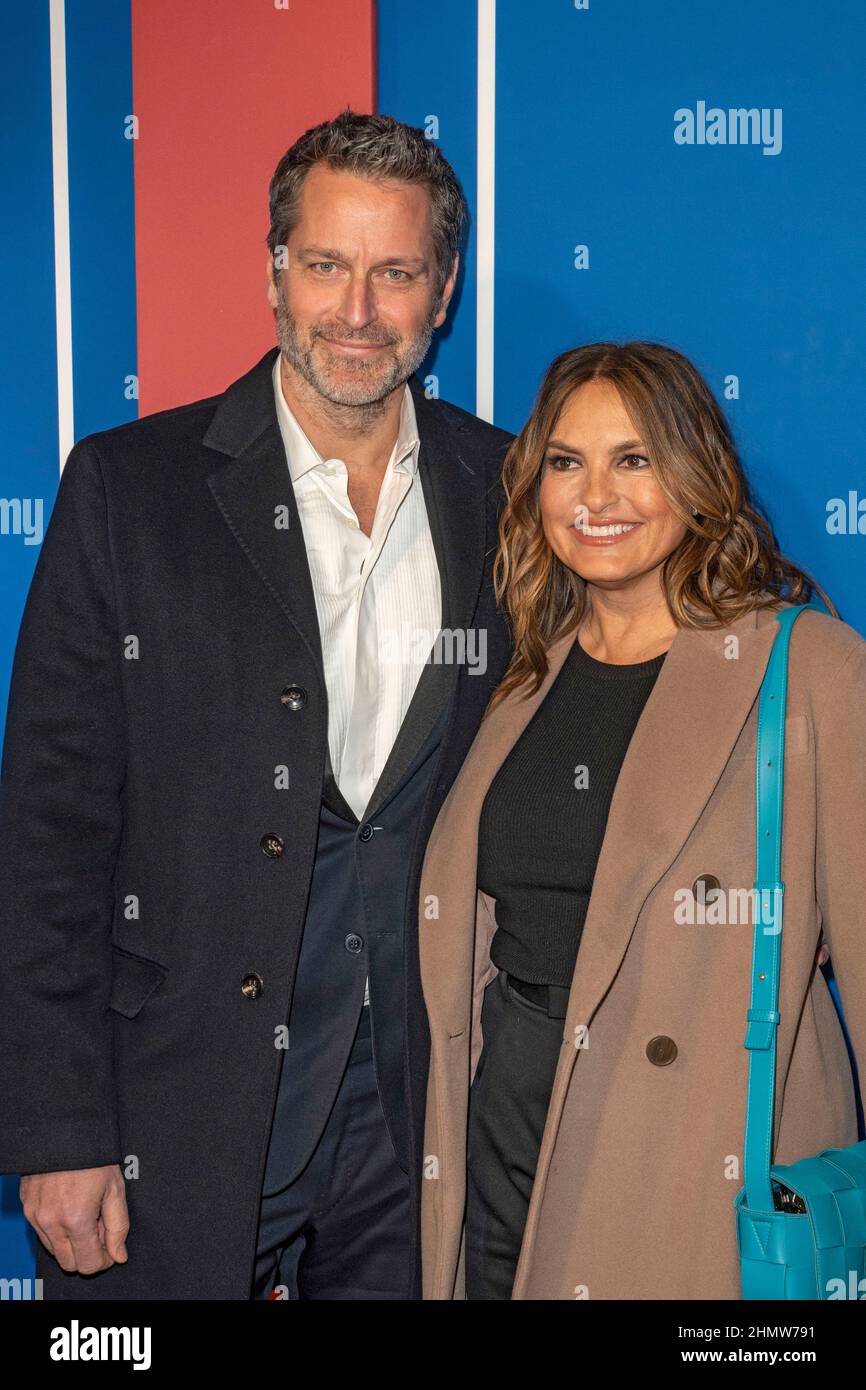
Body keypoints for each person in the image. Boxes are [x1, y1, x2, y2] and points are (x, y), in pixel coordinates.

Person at [0, 110, 514, 1300]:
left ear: (441, 293)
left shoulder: (505, 487)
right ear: (272, 270)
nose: (354, 310)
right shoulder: (130, 491)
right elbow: (48, 835)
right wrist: (56, 1125)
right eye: (325, 264)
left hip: (417, 1116)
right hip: (173, 1102)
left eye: (394, 273)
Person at [418, 340, 866, 1300]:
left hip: (696, 1160)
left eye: (635, 459)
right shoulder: (524, 676)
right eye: (566, 462)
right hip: (508, 1131)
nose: (597, 495)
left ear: (697, 476)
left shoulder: (810, 669)